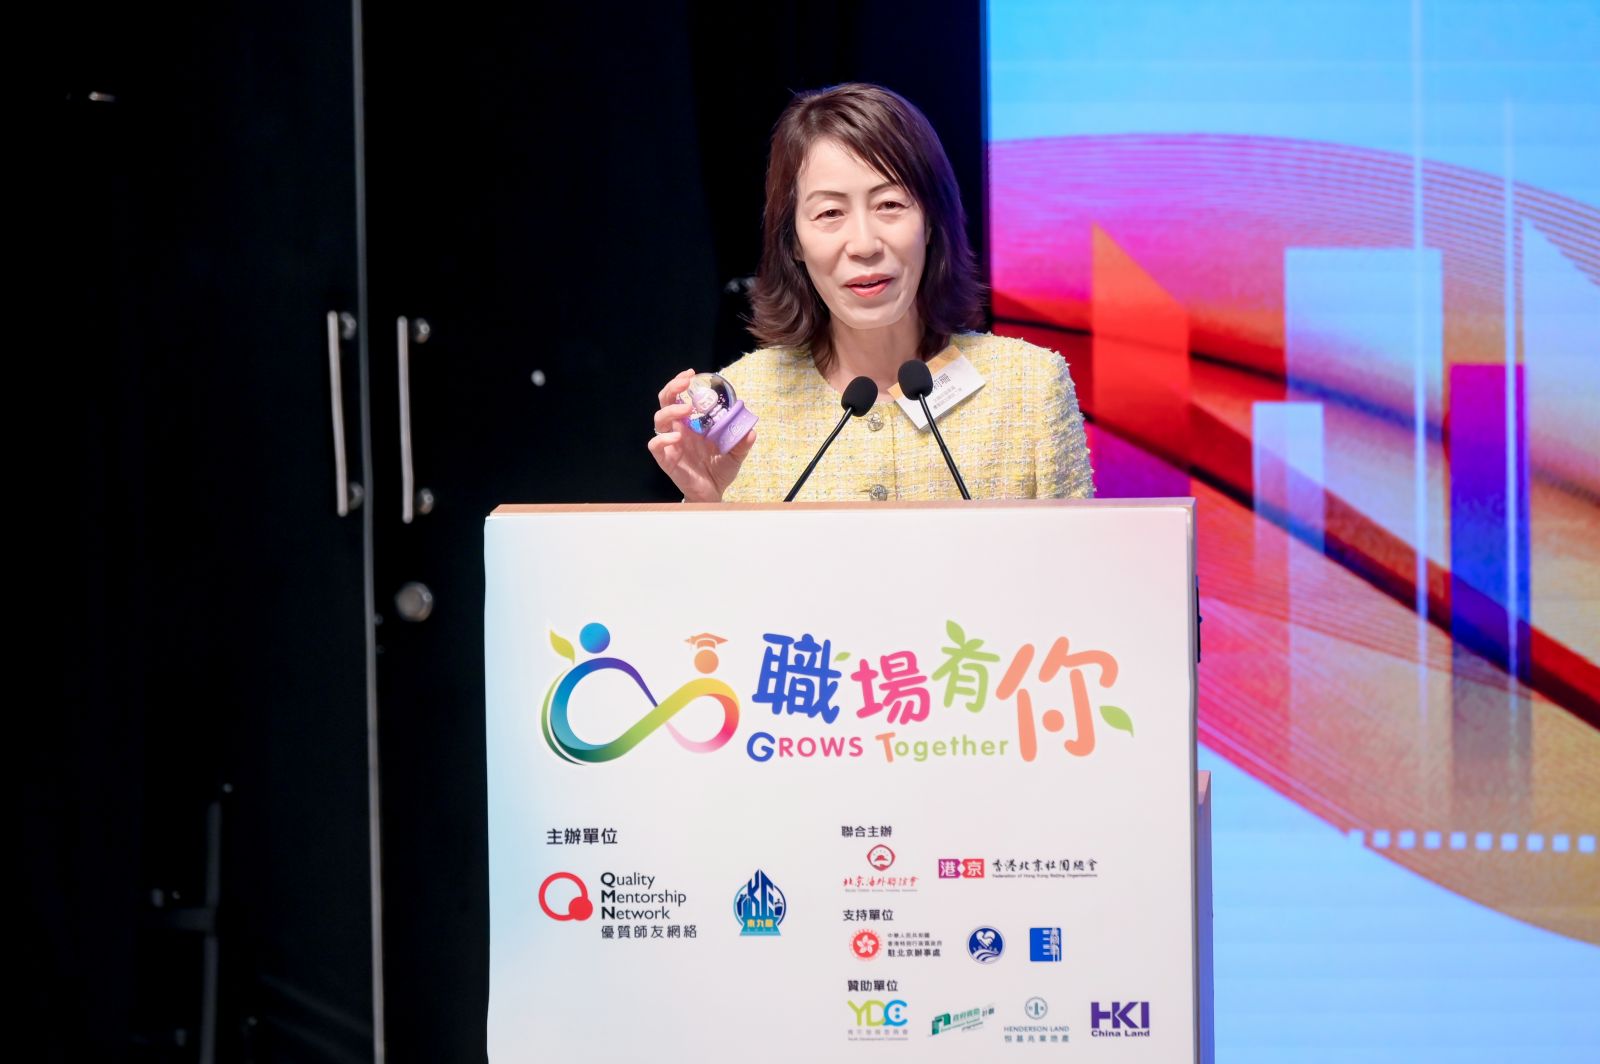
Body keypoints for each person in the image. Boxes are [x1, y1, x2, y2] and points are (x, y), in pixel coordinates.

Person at [649, 83, 1093, 503]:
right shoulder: (740, 405)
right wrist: (705, 506)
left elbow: (1080, 559)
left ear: (931, 223)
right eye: (830, 213)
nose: (864, 244)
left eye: (890, 205)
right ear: (794, 242)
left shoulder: (1030, 388)